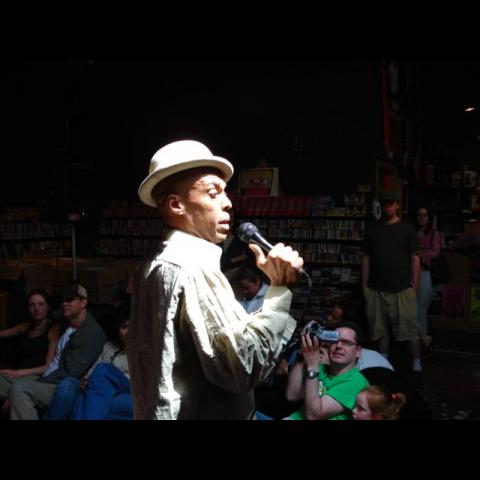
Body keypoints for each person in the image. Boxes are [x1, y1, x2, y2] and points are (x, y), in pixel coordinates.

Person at [127, 139, 303, 420]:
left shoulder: (151, 265)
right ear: (176, 204)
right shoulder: (193, 269)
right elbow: (242, 368)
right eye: (212, 193)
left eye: (225, 192)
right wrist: (279, 289)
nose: (228, 202)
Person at [8, 284, 106, 420]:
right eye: (62, 300)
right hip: (48, 377)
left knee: (19, 389)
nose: (64, 304)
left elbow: (70, 373)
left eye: (69, 300)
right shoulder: (66, 322)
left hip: (59, 384)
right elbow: (35, 322)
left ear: (83, 303)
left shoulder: (90, 333)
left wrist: (38, 382)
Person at [362, 191, 423, 372]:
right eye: (385, 203)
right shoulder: (373, 229)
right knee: (380, 329)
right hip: (376, 288)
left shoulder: (407, 229)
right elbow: (366, 258)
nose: (387, 206)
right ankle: (384, 361)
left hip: (402, 288)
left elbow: (415, 258)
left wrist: (414, 287)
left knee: (410, 328)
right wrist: (364, 286)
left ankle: (417, 361)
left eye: (391, 203)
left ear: (397, 205)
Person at [47, 317, 131, 420]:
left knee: (103, 370)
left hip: (123, 388)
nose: (127, 332)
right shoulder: (109, 346)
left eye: (132, 327)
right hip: (94, 386)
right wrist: (87, 378)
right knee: (68, 384)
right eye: (124, 327)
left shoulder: (144, 351)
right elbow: (93, 369)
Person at [285, 322, 369, 420]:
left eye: (346, 342)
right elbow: (292, 396)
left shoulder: (356, 382)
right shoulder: (320, 368)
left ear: (358, 351)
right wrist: (302, 354)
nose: (338, 346)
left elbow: (313, 416)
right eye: (334, 340)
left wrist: (312, 366)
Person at [0, 289, 62, 414]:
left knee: (17, 388)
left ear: (48, 307)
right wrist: (16, 373)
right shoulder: (26, 327)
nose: (36, 308)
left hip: (37, 378)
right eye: (32, 305)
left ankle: (14, 395)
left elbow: (48, 367)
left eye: (41, 304)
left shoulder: (54, 329)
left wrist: (19, 373)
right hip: (18, 376)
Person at [416, 205, 442, 350]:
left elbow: (436, 252)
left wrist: (421, 254)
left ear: (429, 217)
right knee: (413, 308)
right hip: (413, 272)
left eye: (424, 215)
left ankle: (423, 340)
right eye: (419, 215)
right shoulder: (415, 232)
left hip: (426, 272)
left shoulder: (434, 233)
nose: (421, 218)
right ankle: (419, 340)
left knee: (421, 308)